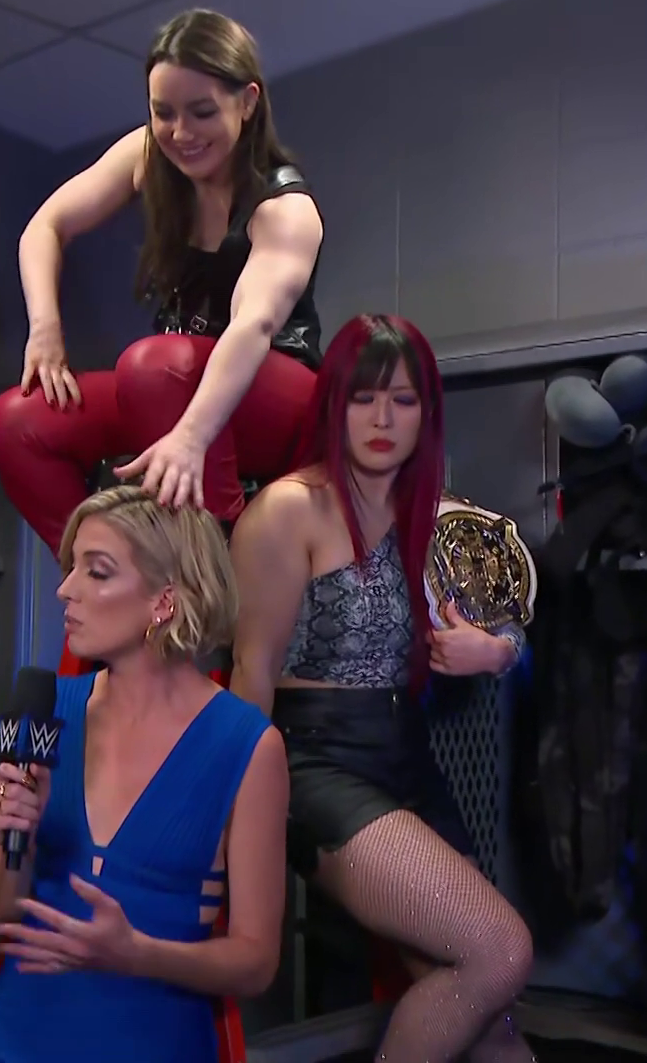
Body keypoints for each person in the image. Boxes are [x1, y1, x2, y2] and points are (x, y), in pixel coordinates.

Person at [229, 314, 537, 1061]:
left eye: (402, 400)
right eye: (363, 398)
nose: (381, 420)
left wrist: (493, 653)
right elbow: (250, 673)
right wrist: (236, 820)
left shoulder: (435, 511)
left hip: (405, 753)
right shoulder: (288, 510)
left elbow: (512, 623)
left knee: (489, 1017)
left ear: (426, 412)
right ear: (333, 405)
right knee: (499, 951)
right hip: (314, 761)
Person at [0, 8, 325, 557]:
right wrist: (44, 330)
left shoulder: (285, 208)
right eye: (163, 112)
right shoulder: (146, 156)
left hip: (276, 395)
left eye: (202, 112)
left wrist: (191, 435)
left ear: (247, 102)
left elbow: (253, 327)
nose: (180, 133)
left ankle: (216, 567)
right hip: (170, 383)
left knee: (152, 363)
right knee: (16, 422)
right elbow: (45, 227)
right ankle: (107, 564)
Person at [0, 486, 289, 1063]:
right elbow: (1, 915)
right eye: (71, 568)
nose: (65, 589)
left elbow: (255, 963)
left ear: (164, 601)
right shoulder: (46, 709)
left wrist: (136, 953)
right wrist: (16, 839)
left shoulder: (247, 745)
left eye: (96, 572)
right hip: (15, 1041)